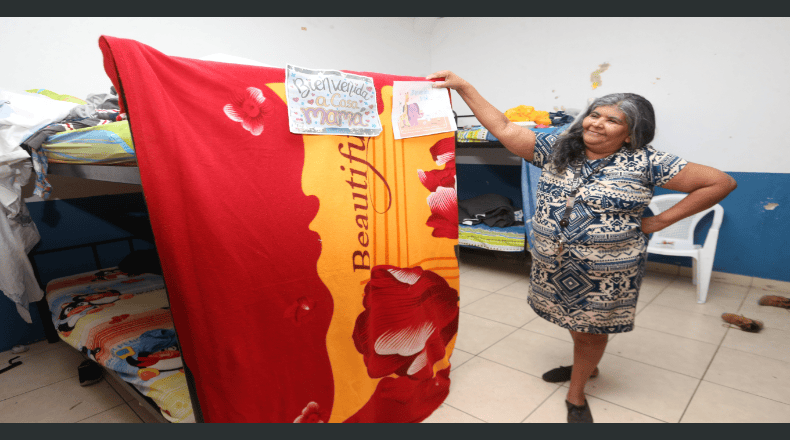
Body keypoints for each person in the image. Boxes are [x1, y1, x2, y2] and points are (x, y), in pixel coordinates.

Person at [426, 70, 737, 423]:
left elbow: (719, 182)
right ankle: (585, 368)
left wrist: (660, 221)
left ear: (632, 132)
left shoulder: (649, 162)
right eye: (594, 114)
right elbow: (504, 127)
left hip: (606, 270)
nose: (597, 124)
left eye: (612, 120)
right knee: (575, 327)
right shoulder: (558, 149)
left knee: (590, 332)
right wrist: (465, 87)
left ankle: (576, 394)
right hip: (554, 263)